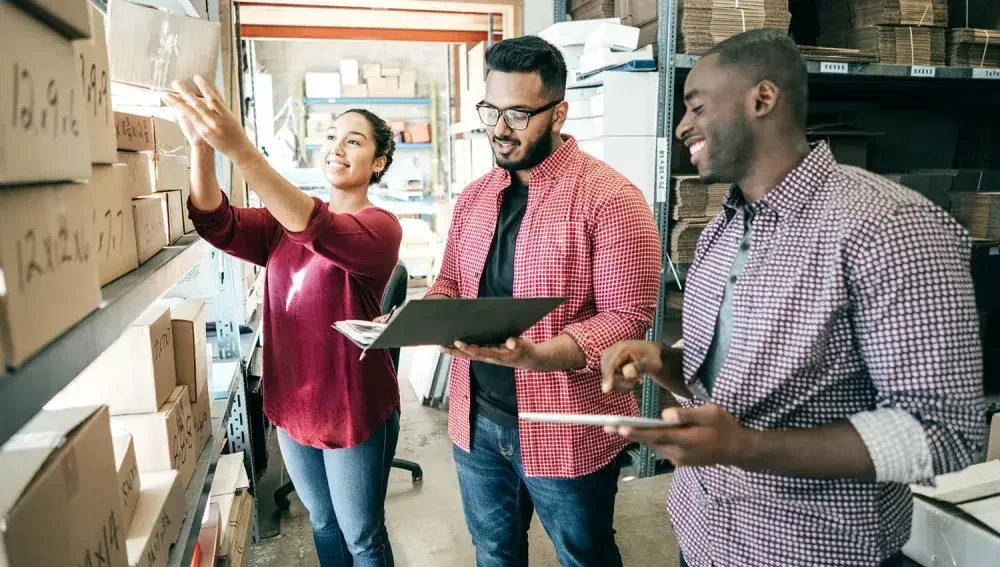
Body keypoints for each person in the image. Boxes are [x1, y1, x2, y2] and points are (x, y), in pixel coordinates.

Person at [600, 29, 986, 567]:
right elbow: (728, 377)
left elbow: (944, 432)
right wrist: (664, 364)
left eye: (696, 106)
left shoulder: (888, 226)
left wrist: (746, 447)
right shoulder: (722, 230)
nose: (683, 125)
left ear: (762, 99)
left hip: (810, 549)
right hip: (705, 535)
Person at [422, 36, 661, 566]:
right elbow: (449, 283)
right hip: (476, 421)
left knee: (584, 554)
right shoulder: (476, 196)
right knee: (494, 553)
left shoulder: (611, 198)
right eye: (490, 110)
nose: (499, 129)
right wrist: (425, 316)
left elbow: (628, 318)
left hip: (566, 422)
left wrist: (538, 355)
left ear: (559, 113)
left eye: (517, 113)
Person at [163, 77, 403, 567]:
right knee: (321, 521)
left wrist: (242, 149)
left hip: (351, 408)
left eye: (354, 141)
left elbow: (319, 228)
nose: (337, 148)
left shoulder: (379, 227)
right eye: (332, 136)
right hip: (294, 404)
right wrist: (202, 147)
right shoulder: (280, 225)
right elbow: (216, 222)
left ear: (377, 163)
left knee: (361, 536)